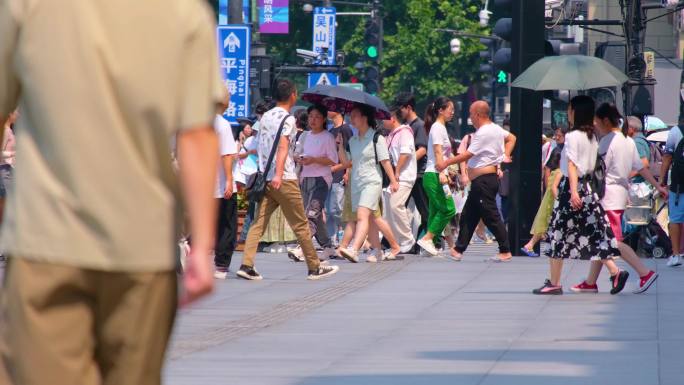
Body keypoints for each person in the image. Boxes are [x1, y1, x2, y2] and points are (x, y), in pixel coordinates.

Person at [0, 1, 222, 384]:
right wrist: (201, 247)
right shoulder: (184, 12)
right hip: (143, 246)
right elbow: (197, 132)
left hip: (47, 238)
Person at [238, 79, 339, 280]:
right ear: (293, 94)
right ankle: (314, 267)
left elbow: (258, 146)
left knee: (259, 223)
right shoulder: (288, 119)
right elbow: (283, 146)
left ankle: (247, 264)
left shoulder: (265, 117)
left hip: (266, 179)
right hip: (284, 178)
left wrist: (270, 173)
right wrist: (278, 173)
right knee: (301, 223)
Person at [530, 96, 623, 295]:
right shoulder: (593, 135)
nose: (568, 113)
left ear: (576, 112)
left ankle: (554, 283)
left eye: (570, 109)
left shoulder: (572, 136)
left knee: (558, 234)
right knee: (595, 233)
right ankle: (615, 271)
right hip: (589, 188)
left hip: (571, 189)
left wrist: (572, 191)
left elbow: (571, 165)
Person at [570, 103, 666, 294]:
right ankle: (591, 282)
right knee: (602, 239)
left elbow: (596, 170)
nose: (595, 125)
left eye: (597, 122)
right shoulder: (627, 140)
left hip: (607, 196)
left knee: (611, 241)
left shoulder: (607, 141)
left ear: (605, 121)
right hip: (620, 194)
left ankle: (644, 273)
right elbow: (641, 168)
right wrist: (658, 186)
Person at [437, 101, 516, 262]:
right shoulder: (495, 128)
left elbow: (467, 154)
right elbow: (512, 138)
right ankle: (458, 249)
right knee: (469, 215)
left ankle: (505, 250)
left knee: (491, 216)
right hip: (483, 180)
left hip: (484, 181)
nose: (470, 118)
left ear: (478, 115)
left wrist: (446, 163)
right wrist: (504, 155)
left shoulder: (484, 132)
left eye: (471, 114)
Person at [339, 104, 402, 263]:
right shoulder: (352, 140)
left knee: (361, 216)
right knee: (373, 219)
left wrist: (394, 181)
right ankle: (384, 248)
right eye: (351, 115)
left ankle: (354, 249)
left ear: (365, 117)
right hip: (356, 184)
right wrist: (340, 145)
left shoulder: (376, 138)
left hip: (372, 182)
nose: (351, 119)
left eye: (355, 115)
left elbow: (385, 161)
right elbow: (346, 163)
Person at [288, 104, 338, 261]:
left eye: (317, 116)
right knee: (313, 215)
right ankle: (328, 246)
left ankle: (302, 247)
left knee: (311, 214)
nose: (313, 120)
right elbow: (295, 153)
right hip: (304, 178)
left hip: (321, 180)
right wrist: (299, 158)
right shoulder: (304, 136)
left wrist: (314, 159)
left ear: (324, 119)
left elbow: (332, 160)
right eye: (310, 116)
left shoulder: (327, 137)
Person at [415, 97, 457, 256]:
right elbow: (438, 151)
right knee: (449, 209)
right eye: (450, 109)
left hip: (434, 174)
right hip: (435, 174)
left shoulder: (440, 127)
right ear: (440, 110)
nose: (452, 112)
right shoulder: (438, 128)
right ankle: (427, 239)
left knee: (434, 212)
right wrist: (442, 173)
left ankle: (429, 245)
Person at [394, 92, 430, 253]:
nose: (398, 113)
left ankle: (428, 241)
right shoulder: (406, 127)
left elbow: (422, 149)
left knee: (424, 212)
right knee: (395, 206)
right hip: (409, 175)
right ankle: (397, 243)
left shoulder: (418, 125)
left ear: (408, 108)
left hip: (418, 175)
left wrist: (406, 163)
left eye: (400, 109)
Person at [383, 106, 418, 253]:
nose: (382, 122)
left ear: (392, 119)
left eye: (384, 119)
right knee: (389, 210)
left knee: (396, 205)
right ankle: (398, 240)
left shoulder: (405, 132)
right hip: (395, 178)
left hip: (404, 176)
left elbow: (405, 154)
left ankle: (408, 239)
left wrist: (396, 172)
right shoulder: (391, 134)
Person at [213, 101, 239, 280]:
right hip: (219, 183)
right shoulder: (222, 124)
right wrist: (229, 180)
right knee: (227, 225)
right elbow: (227, 154)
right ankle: (221, 265)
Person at [520, 147, 563, 257]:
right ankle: (529, 245)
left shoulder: (554, 172)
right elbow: (554, 188)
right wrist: (559, 200)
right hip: (552, 203)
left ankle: (529, 245)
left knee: (543, 224)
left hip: (548, 201)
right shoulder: (560, 172)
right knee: (544, 224)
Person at [326, 110, 354, 244]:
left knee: (338, 208)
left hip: (340, 174)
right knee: (329, 210)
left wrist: (347, 172)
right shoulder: (331, 131)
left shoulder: (346, 129)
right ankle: (331, 241)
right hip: (329, 175)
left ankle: (347, 235)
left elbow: (350, 153)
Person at [660, 120, 684, 267]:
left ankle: (676, 254)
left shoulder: (676, 131)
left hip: (679, 184)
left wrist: (661, 181)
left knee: (675, 219)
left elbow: (667, 157)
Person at [0, 110, 16, 222]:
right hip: (4, 169)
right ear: (9, 115)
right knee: (6, 199)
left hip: (8, 169)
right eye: (15, 113)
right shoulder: (6, 132)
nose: (17, 115)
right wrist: (14, 154)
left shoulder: (9, 130)